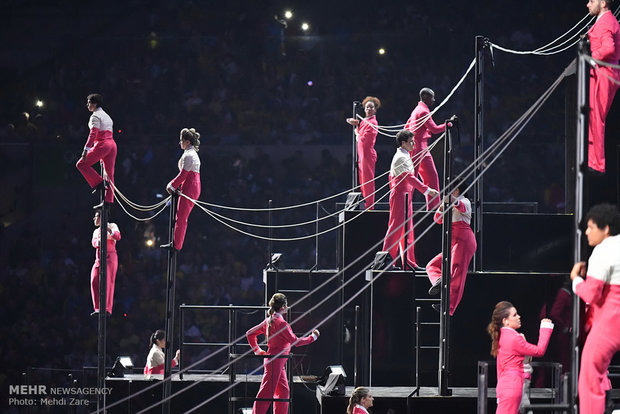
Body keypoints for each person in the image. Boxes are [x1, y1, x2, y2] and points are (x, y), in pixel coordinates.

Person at [570, 203, 620, 414]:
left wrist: (576, 281)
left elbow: (592, 294)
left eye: (591, 227)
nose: (587, 232)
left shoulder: (603, 249)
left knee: (590, 378)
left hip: (611, 319)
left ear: (606, 228)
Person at [246, 293, 320, 414]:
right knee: (266, 392)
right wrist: (313, 337)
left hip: (277, 361)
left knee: (283, 392)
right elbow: (295, 341)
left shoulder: (269, 321)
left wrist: (257, 350)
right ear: (282, 307)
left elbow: (250, 334)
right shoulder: (281, 324)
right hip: (276, 361)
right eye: (286, 305)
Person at [382, 130, 439, 270]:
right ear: (403, 143)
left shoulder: (405, 155)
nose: (414, 143)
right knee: (396, 227)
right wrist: (427, 190)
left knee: (407, 229)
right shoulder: (400, 157)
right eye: (411, 141)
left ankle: (408, 262)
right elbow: (409, 177)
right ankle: (385, 259)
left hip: (405, 195)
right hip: (400, 195)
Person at [487, 301, 554, 414]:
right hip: (513, 386)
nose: (519, 317)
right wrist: (545, 327)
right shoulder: (514, 338)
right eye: (514, 315)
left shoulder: (502, 336)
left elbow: (501, 368)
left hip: (506, 386)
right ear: (505, 321)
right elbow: (539, 351)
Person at [425, 181, 477, 315]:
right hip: (453, 242)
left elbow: (460, 206)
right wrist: (443, 206)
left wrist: (450, 200)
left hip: (463, 240)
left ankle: (449, 307)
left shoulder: (465, 201)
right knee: (432, 265)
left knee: (457, 273)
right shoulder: (449, 203)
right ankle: (438, 280)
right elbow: (437, 219)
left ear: (458, 190)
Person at [405, 88, 455, 210]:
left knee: (432, 176)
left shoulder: (417, 110)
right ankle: (406, 207)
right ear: (426, 98)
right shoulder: (423, 111)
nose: (434, 100)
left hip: (422, 147)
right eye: (432, 97)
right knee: (412, 179)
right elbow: (435, 129)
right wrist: (449, 124)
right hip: (417, 147)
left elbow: (407, 125)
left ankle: (434, 208)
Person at [586, 0, 620, 173]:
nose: (588, 5)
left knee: (597, 116)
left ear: (603, 2)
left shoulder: (606, 21)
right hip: (604, 71)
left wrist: (594, 57)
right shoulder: (606, 20)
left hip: (605, 72)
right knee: (594, 115)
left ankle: (596, 163)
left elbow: (608, 48)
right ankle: (594, 160)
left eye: (592, 1)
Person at [164, 128, 201, 250]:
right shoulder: (188, 153)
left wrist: (171, 185)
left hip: (191, 186)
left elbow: (184, 174)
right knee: (179, 216)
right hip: (189, 185)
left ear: (188, 142)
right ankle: (175, 242)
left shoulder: (190, 155)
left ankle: (176, 245)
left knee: (181, 217)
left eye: (181, 140)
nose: (180, 143)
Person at [76, 93, 116, 204]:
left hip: (103, 144)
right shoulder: (107, 116)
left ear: (95, 104)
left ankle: (98, 183)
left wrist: (86, 149)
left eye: (89, 103)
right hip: (112, 144)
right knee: (109, 174)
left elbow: (93, 133)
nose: (87, 105)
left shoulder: (95, 116)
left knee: (81, 164)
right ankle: (108, 200)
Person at [346, 96, 381, 209]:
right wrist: (356, 123)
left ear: (375, 110)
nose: (368, 109)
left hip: (367, 154)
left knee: (367, 182)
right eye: (367, 107)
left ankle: (370, 206)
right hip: (363, 155)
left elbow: (364, 140)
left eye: (371, 107)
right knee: (363, 181)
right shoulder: (366, 121)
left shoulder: (373, 122)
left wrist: (357, 132)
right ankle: (367, 204)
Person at [90, 209, 120, 315]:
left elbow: (117, 236)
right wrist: (99, 241)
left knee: (107, 281)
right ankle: (97, 308)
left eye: (96, 216)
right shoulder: (96, 231)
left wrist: (108, 230)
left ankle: (107, 308)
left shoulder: (112, 225)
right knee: (94, 280)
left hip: (109, 256)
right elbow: (94, 242)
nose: (94, 218)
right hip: (99, 257)